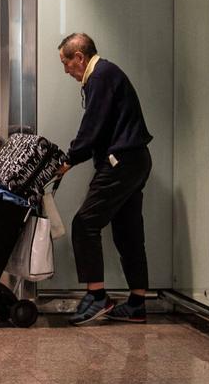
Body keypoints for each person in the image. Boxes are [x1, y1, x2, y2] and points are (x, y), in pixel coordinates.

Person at [56, 33, 154, 325]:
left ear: (79, 57)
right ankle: (137, 303)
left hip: (120, 162)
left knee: (85, 223)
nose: (65, 70)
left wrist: (68, 160)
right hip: (136, 160)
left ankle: (97, 296)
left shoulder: (99, 76)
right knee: (128, 232)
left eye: (65, 62)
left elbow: (93, 126)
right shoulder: (106, 74)